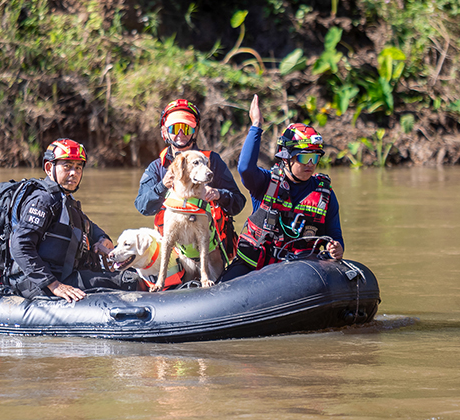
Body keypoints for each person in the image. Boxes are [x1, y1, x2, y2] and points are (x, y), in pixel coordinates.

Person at [220, 95, 345, 282]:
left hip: (300, 271)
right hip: (254, 267)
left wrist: (337, 249)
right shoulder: (265, 182)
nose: (310, 164)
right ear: (286, 157)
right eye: (304, 158)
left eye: (315, 158)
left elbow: (334, 234)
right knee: (222, 288)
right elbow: (245, 168)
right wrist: (256, 125)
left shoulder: (325, 194)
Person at [7, 138, 139, 302]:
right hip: (37, 282)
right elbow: (20, 245)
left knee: (130, 273)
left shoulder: (64, 200)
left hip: (64, 273)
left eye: (78, 167)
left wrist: (102, 239)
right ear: (49, 168)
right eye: (67, 166)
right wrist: (55, 285)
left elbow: (86, 225)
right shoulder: (43, 201)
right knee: (128, 281)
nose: (74, 173)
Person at [134, 99, 246, 262]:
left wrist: (218, 194)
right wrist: (162, 186)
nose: (181, 133)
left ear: (194, 131)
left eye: (186, 127)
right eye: (175, 128)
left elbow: (239, 202)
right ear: (165, 131)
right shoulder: (157, 167)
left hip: (211, 250)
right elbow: (142, 206)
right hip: (175, 254)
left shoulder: (212, 161)